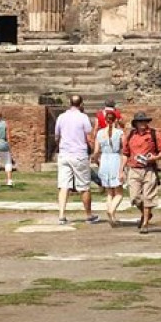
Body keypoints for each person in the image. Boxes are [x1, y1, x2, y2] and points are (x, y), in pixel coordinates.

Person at [54, 95, 99, 225]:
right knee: (84, 186)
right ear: (81, 104)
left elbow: (57, 135)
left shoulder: (61, 117)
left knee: (63, 186)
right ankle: (89, 215)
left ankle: (61, 215)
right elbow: (88, 135)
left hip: (64, 154)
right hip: (79, 154)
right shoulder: (83, 117)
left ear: (70, 103)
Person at [121, 112, 161, 234]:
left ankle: (145, 223)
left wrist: (155, 158)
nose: (143, 124)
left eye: (145, 121)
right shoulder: (131, 135)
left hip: (149, 169)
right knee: (135, 197)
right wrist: (121, 170)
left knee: (148, 197)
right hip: (134, 168)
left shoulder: (154, 134)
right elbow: (125, 153)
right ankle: (145, 213)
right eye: (140, 122)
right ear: (135, 123)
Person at [91, 108, 125, 226]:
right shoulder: (120, 133)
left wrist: (96, 160)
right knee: (119, 192)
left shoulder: (100, 133)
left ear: (105, 121)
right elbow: (124, 149)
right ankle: (111, 210)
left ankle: (112, 216)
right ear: (115, 120)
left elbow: (96, 151)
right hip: (115, 159)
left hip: (104, 160)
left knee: (109, 192)